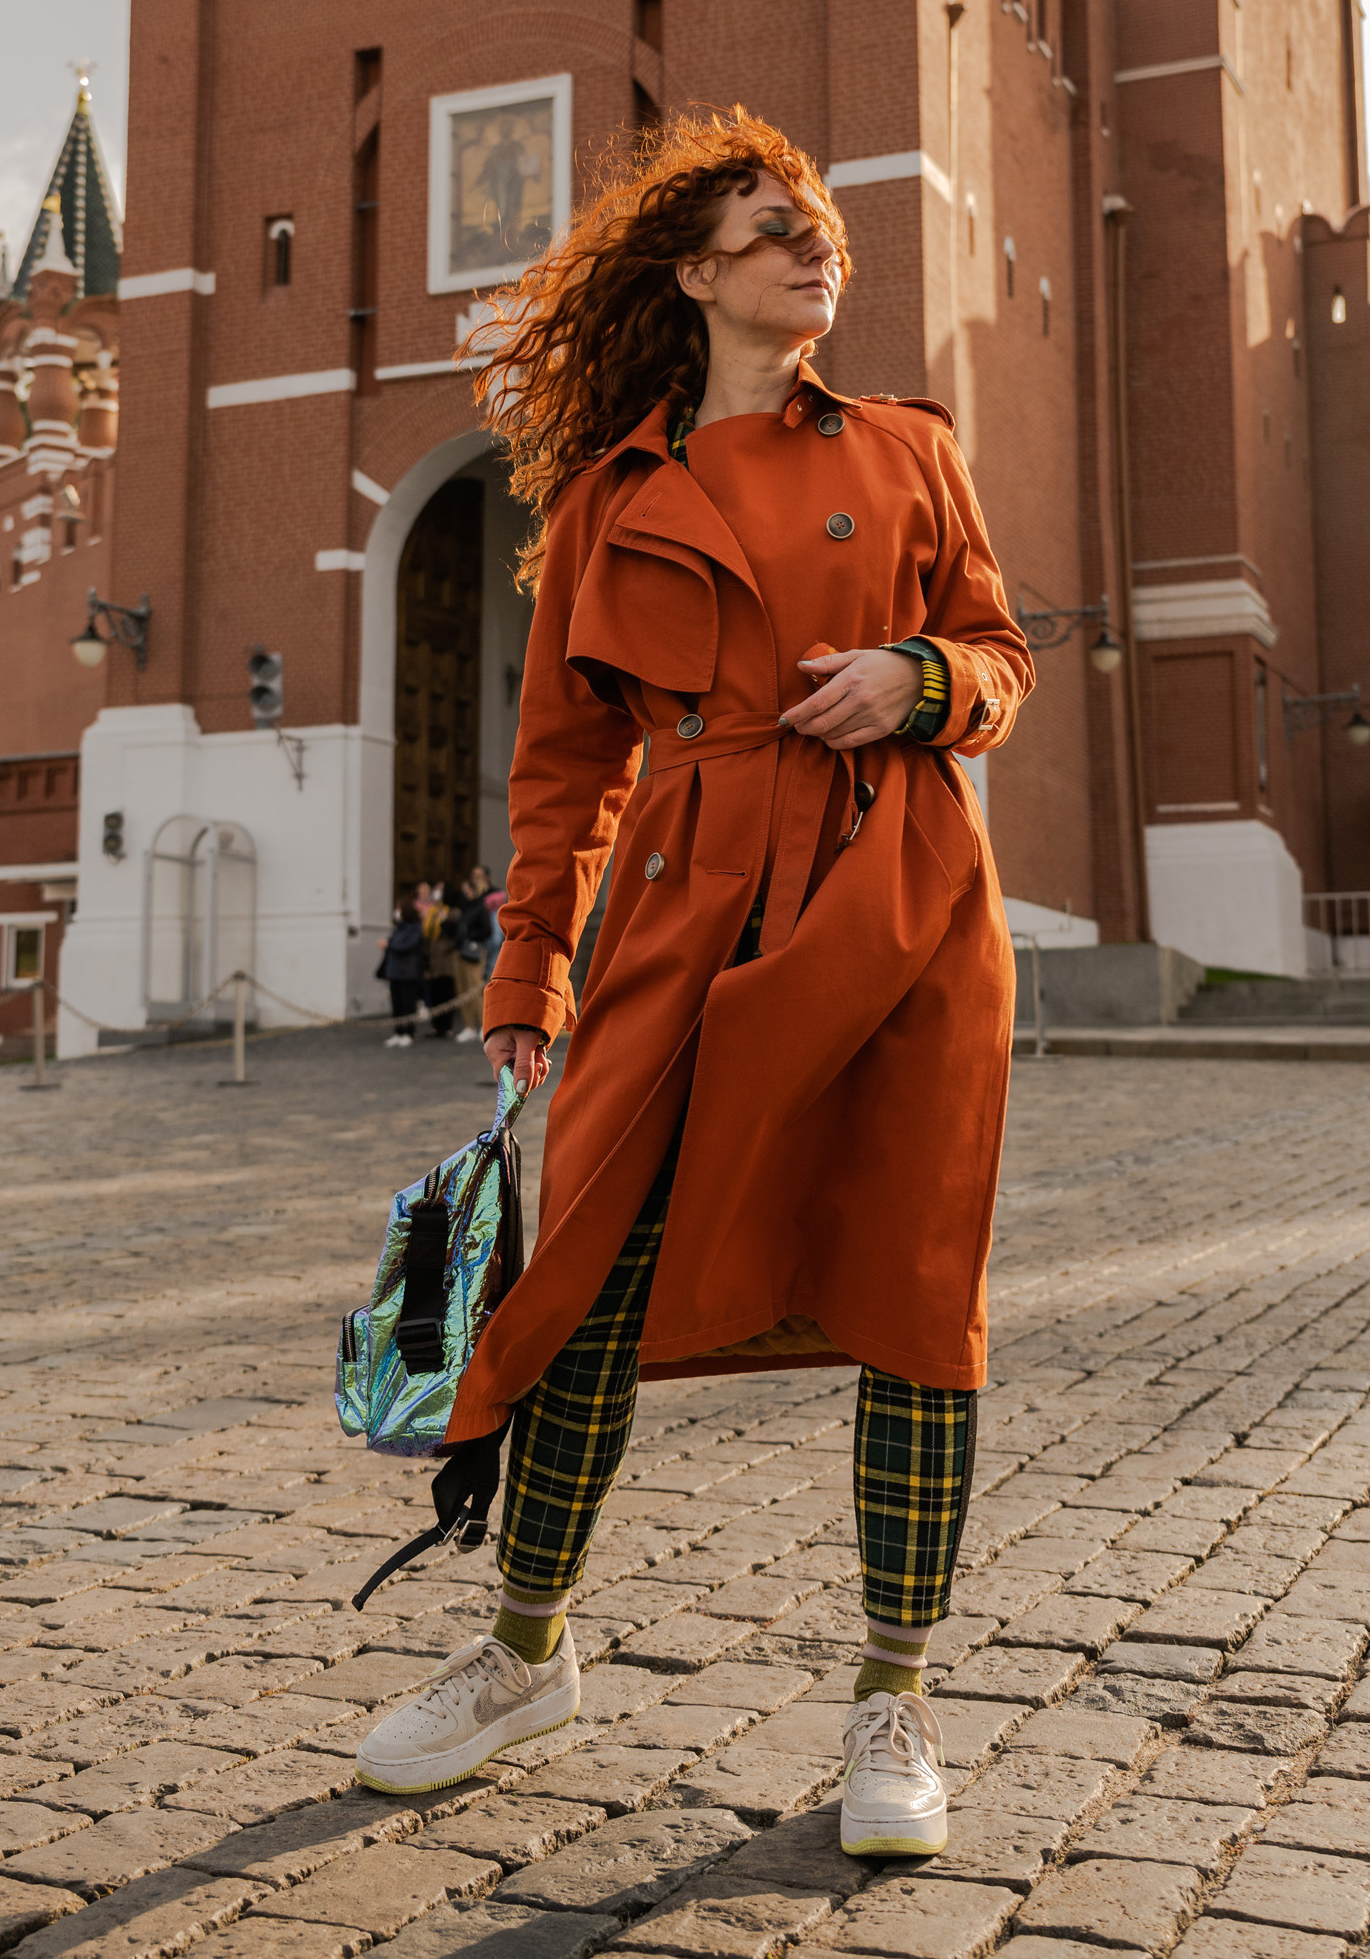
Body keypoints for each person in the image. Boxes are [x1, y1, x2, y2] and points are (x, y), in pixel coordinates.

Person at [352, 109, 1032, 1865]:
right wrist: (525, 965)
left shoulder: (903, 449)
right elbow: (559, 769)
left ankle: (896, 1700)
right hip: (680, 903)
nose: (816, 249)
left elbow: (1004, 657)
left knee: (911, 1289)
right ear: (694, 273)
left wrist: (917, 675)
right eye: (769, 228)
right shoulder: (608, 499)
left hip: (898, 900)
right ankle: (523, 1657)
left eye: (820, 226)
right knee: (584, 1275)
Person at [450, 867, 500, 1042]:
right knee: (463, 990)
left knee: (476, 989)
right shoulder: (465, 908)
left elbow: (487, 931)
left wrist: (471, 937)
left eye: (466, 890)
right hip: (460, 952)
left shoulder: (480, 907)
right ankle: (469, 1025)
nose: (464, 893)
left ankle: (484, 1025)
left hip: (473, 953)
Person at [377, 902, 427, 1046]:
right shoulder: (399, 928)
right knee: (397, 1003)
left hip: (408, 972)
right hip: (395, 972)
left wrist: (389, 945)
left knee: (407, 1004)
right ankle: (398, 1031)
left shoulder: (415, 928)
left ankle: (409, 1032)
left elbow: (407, 945)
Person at [418, 884, 458, 1039]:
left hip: (446, 960)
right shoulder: (433, 911)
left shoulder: (452, 912)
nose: (437, 893)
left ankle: (446, 1026)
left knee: (445, 993)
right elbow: (426, 935)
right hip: (433, 958)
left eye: (440, 890)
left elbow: (454, 933)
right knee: (434, 993)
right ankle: (436, 1026)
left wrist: (444, 921)